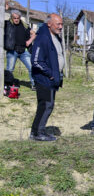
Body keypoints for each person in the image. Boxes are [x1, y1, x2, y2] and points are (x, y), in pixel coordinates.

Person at [30, 13, 64, 141]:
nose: (60, 27)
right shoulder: (43, 37)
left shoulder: (54, 36)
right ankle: (38, 133)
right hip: (44, 79)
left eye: (61, 24)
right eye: (58, 24)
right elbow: (36, 61)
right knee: (46, 105)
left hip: (52, 78)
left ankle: (38, 131)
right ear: (49, 24)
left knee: (47, 105)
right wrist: (50, 74)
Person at [4, 9, 36, 90]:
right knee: (9, 69)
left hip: (24, 51)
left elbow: (34, 34)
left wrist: (29, 41)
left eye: (18, 18)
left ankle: (34, 85)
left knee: (31, 67)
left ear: (20, 17)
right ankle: (7, 85)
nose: (16, 19)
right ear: (11, 17)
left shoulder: (25, 25)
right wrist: (5, 9)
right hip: (12, 50)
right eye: (14, 18)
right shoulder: (7, 24)